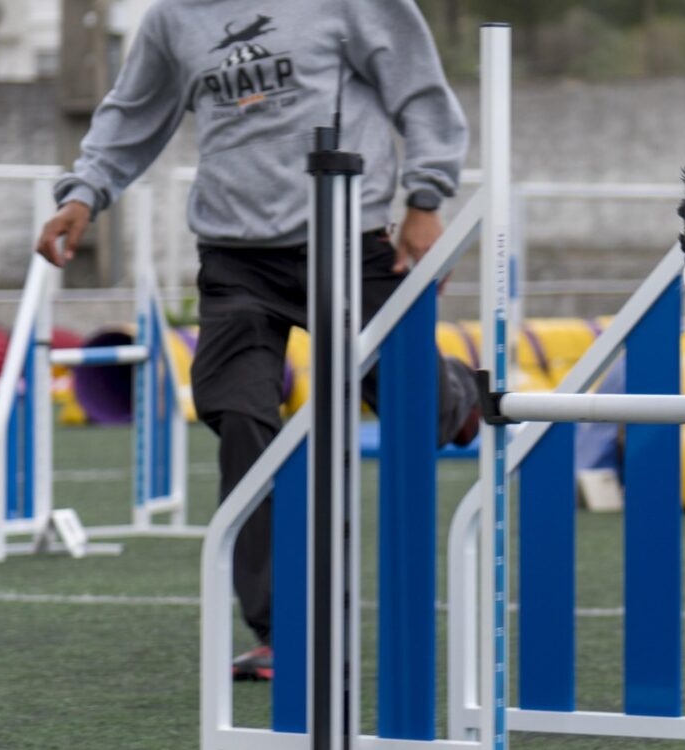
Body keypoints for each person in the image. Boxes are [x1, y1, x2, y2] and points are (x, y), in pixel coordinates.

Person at [35, 0, 480, 681]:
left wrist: (425, 199)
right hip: (236, 258)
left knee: (413, 410)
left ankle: (454, 395)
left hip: (348, 240)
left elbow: (417, 88)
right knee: (240, 416)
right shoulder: (172, 20)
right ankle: (281, 628)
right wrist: (84, 192)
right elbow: (132, 113)